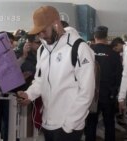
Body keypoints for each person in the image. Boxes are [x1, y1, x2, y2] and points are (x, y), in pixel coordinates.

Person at [17, 6, 95, 141]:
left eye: (43, 31)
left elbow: (87, 91)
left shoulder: (79, 48)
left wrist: (69, 124)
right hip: (47, 122)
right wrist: (29, 94)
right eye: (38, 32)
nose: (41, 35)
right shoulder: (43, 49)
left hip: (69, 126)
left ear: (56, 24)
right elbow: (40, 80)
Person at [84, 26, 122, 141]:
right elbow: (119, 76)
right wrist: (114, 91)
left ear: (95, 36)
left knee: (91, 124)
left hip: (91, 95)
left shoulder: (87, 52)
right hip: (108, 94)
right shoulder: (114, 54)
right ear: (106, 37)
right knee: (109, 123)